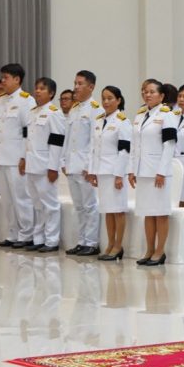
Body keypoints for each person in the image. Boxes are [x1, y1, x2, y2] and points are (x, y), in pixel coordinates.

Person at [0, 64, 35, 248]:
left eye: (6, 77)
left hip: (17, 158)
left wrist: (24, 157)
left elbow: (28, 132)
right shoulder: (0, 101)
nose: (2, 81)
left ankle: (26, 234)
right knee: (7, 199)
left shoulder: (26, 100)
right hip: (2, 157)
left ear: (17, 79)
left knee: (21, 198)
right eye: (2, 77)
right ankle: (13, 233)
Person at [129, 79, 175, 265]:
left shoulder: (166, 115)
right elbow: (135, 145)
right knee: (148, 212)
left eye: (151, 92)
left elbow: (169, 145)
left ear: (161, 96)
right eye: (144, 91)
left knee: (160, 212)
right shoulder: (140, 115)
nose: (147, 94)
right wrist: (131, 170)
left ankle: (160, 251)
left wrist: (162, 171)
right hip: (142, 171)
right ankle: (149, 250)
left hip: (158, 172)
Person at [23, 77, 66, 253]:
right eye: (36, 88)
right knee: (37, 204)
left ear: (51, 93)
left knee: (50, 205)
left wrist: (53, 167)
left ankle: (52, 240)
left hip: (45, 166)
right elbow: (28, 140)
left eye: (42, 88)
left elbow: (57, 141)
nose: (38, 91)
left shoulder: (54, 113)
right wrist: (23, 159)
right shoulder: (32, 112)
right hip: (31, 164)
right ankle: (38, 238)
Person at [64, 70, 105, 256]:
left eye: (80, 84)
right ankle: (81, 241)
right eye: (75, 83)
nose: (76, 87)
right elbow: (68, 139)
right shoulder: (74, 109)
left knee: (90, 205)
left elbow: (95, 141)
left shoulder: (96, 109)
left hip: (85, 166)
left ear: (91, 86)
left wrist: (90, 166)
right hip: (72, 165)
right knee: (79, 206)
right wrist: (64, 160)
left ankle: (91, 242)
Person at [89, 86, 132, 261]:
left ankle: (118, 245)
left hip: (115, 172)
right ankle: (110, 243)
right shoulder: (99, 121)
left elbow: (124, 150)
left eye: (110, 98)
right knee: (107, 210)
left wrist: (119, 175)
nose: (106, 102)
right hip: (102, 171)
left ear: (118, 100)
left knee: (118, 210)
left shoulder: (123, 122)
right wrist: (92, 171)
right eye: (104, 98)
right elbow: (94, 148)